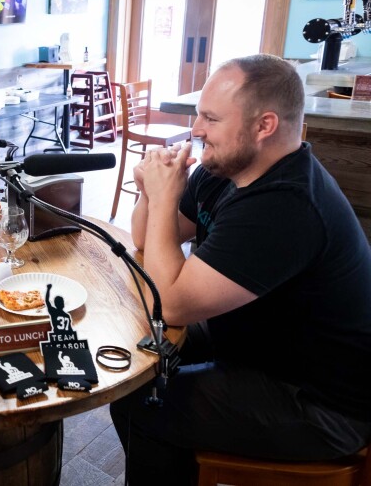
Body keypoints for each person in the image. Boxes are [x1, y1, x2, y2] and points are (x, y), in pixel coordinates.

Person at [110, 54, 371, 485]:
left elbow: (173, 303)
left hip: (320, 401)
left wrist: (165, 194)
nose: (196, 130)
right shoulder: (226, 166)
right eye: (199, 115)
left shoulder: (286, 204)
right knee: (139, 356)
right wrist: (150, 192)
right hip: (258, 342)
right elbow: (149, 240)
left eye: (210, 118)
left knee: (142, 406)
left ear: (263, 126)